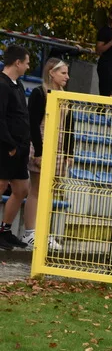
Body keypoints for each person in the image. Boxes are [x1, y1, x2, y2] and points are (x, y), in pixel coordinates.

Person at [24, 57, 70, 250]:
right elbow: (33, 123)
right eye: (63, 73)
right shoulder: (39, 93)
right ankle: (30, 233)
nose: (67, 77)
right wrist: (39, 151)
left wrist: (69, 152)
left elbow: (70, 125)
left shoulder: (65, 95)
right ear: (51, 73)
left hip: (58, 147)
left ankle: (44, 231)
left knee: (50, 190)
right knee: (36, 189)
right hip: (42, 144)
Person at [0, 46, 32, 250]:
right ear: (18, 62)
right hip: (6, 146)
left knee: (22, 189)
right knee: (1, 185)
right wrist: (10, 144)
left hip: (20, 147)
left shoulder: (18, 84)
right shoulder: (2, 85)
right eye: (27, 62)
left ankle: (5, 229)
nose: (28, 66)